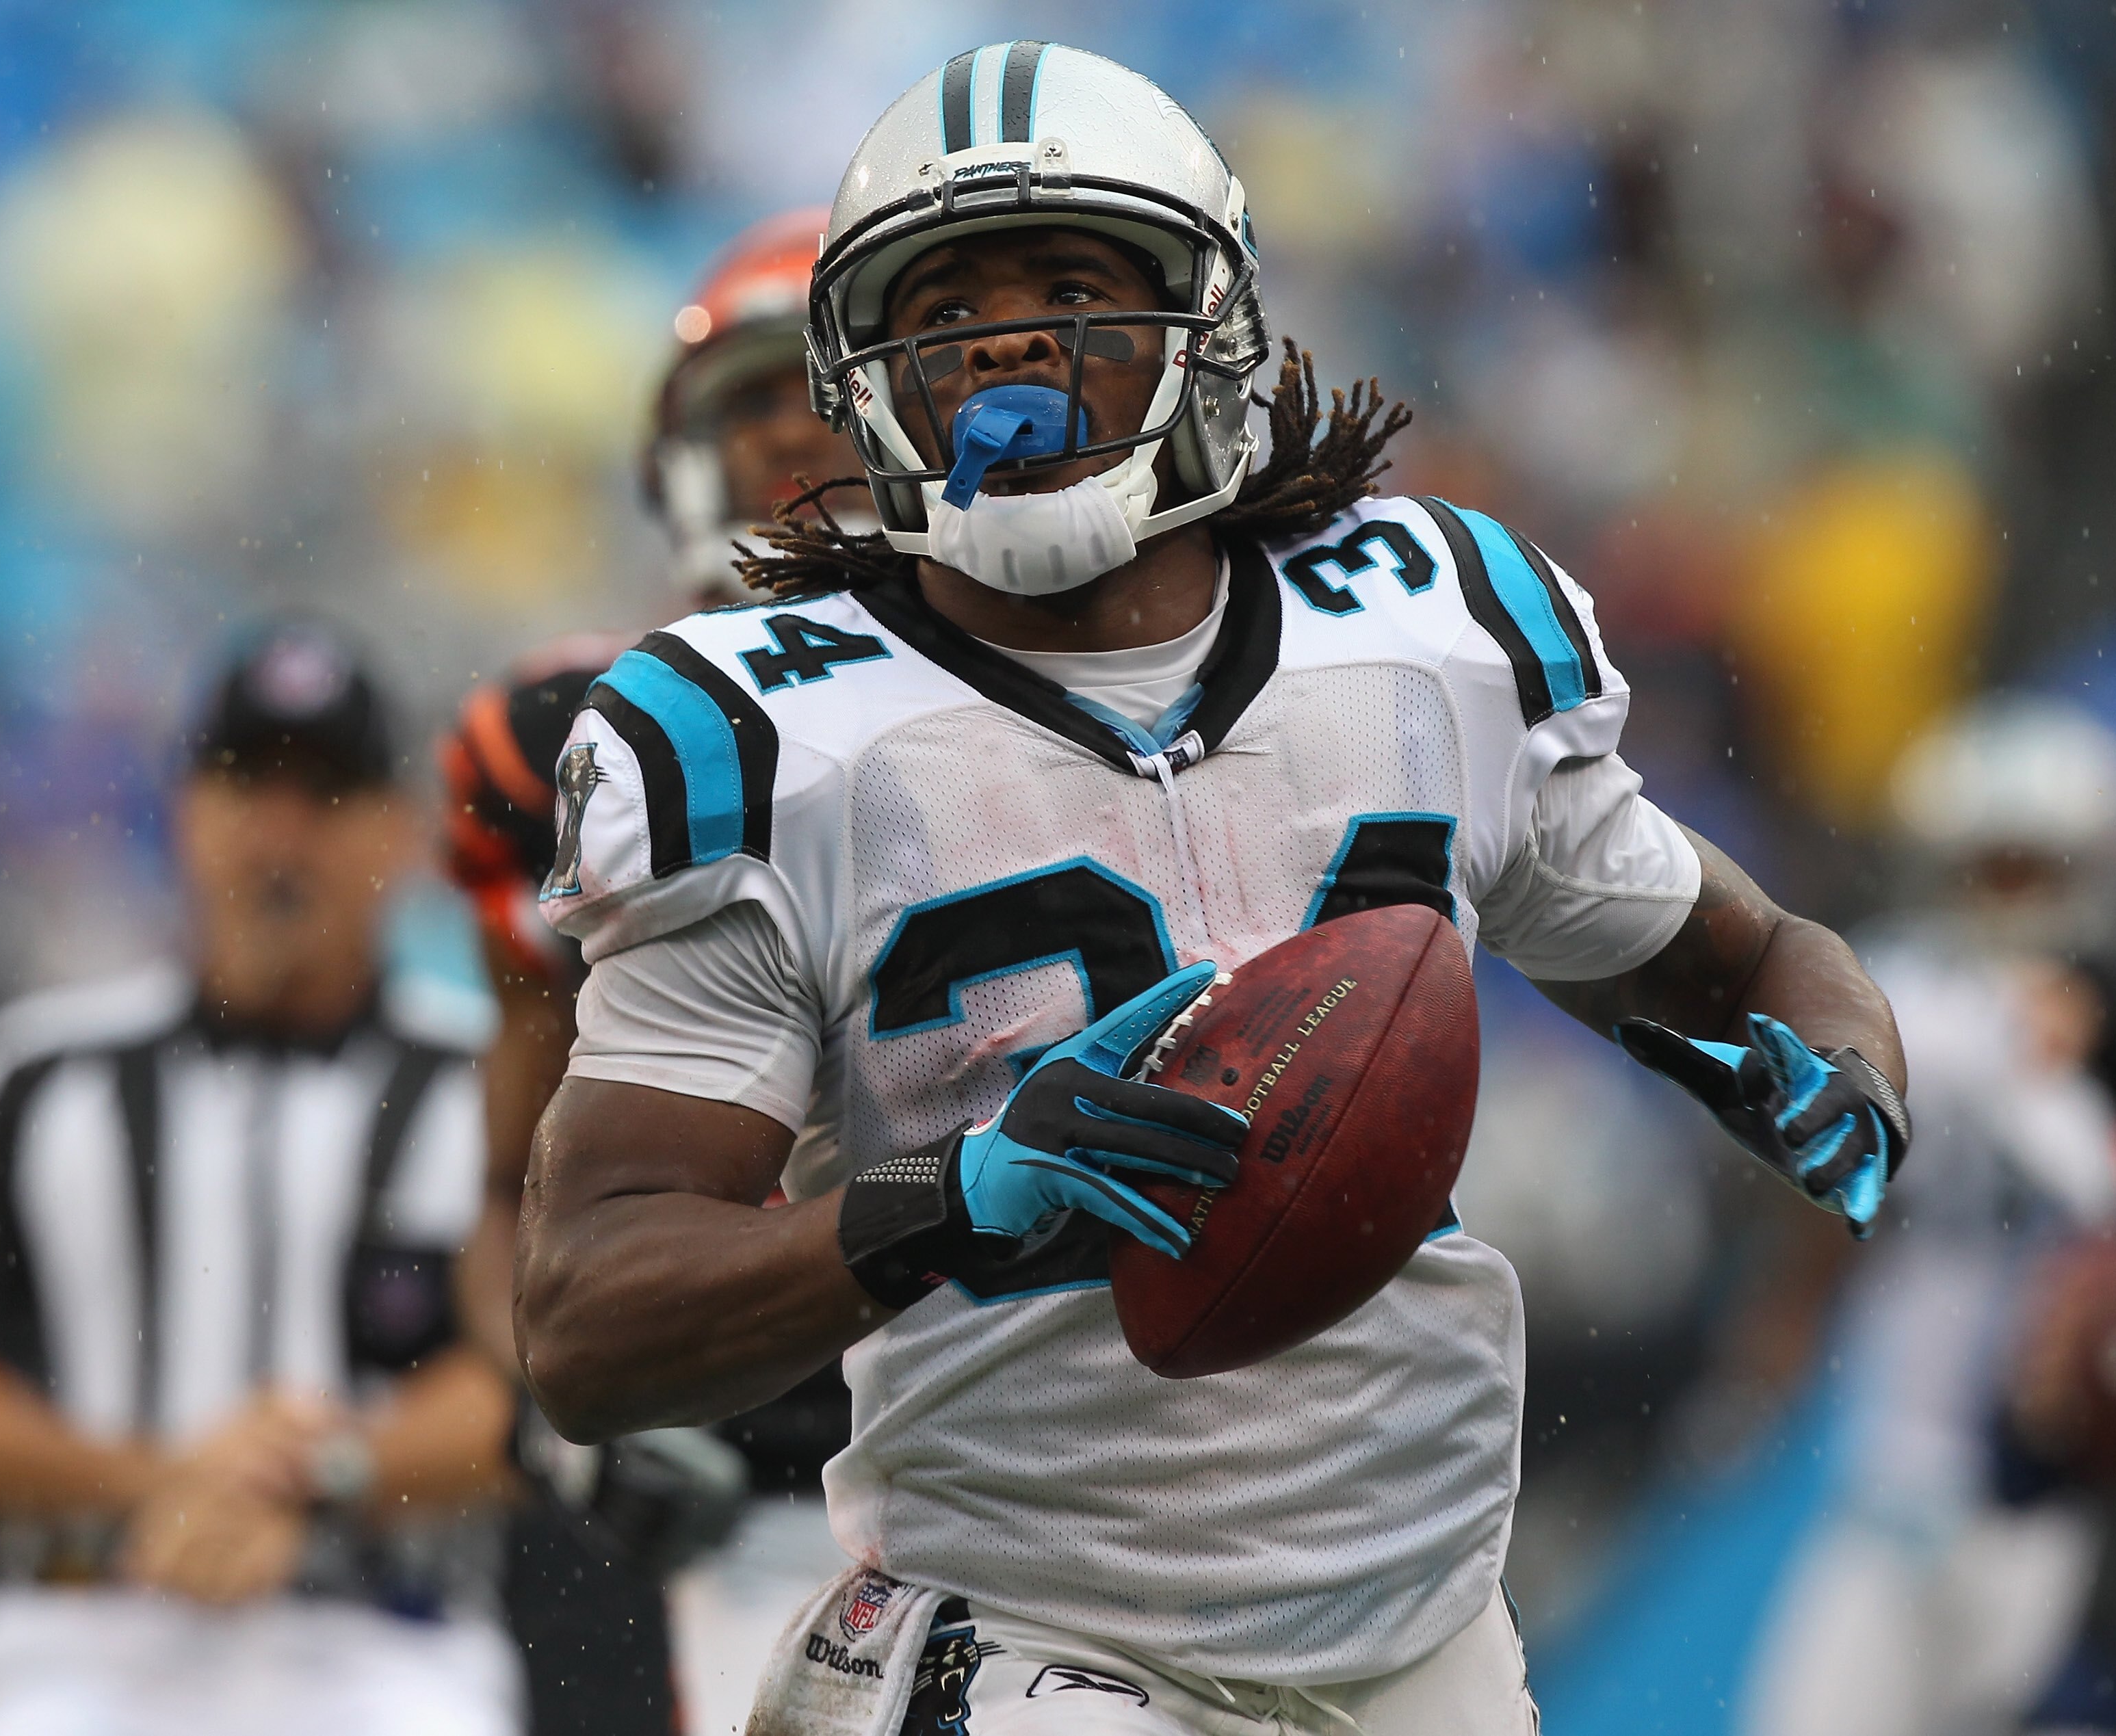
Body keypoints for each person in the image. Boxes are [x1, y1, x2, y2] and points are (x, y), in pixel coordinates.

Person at [517, 42, 1910, 1735]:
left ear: (1215, 324)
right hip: (1019, 1627)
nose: (1010, 341)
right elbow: (590, 1314)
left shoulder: (1430, 628)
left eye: (1071, 284)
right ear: (868, 376)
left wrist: (1834, 1061)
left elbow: (1752, 956)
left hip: (1420, 1635)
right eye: (947, 303)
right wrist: (952, 1196)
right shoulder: (765, 732)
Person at [0, 620, 519, 1736]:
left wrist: (323, 1479)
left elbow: (546, 1395)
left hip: (386, 1644)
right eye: (248, 784)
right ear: (184, 813)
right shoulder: (32, 1071)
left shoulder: (478, 1084)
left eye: (329, 795)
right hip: (83, 1636)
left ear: (403, 834)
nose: (281, 835)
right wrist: (155, 1481)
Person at [439, 208, 862, 1731]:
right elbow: (508, 1194)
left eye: (806, 387)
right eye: (742, 402)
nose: (777, 439)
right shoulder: (578, 749)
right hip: (746, 1479)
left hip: (1053, 1455)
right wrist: (571, 1422)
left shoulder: (1067, 686)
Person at [1732, 695, 2116, 1736]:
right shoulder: (1905, 1001)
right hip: (1894, 1466)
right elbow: (1828, 1192)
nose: (2009, 901)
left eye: (2031, 869)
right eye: (1989, 869)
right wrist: (1789, 1318)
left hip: (2054, 1490)